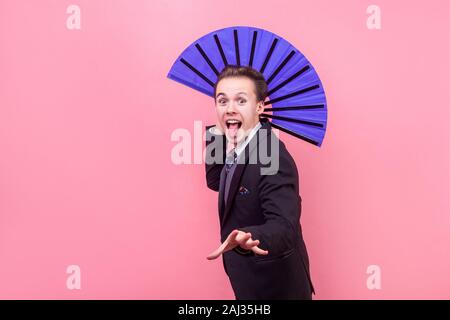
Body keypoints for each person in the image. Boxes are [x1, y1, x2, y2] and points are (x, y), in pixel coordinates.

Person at [204, 65, 315, 299]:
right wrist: (219, 132)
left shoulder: (272, 156)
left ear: (260, 106)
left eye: (241, 101)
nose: (230, 109)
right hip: (248, 279)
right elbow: (216, 181)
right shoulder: (239, 142)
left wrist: (250, 236)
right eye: (222, 101)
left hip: (274, 286)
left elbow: (285, 227)